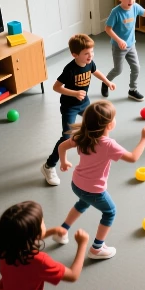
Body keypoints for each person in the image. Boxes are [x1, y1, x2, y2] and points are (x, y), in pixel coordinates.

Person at [55, 100, 145, 260]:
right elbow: (133, 158)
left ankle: (62, 231)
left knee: (82, 203)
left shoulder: (82, 135)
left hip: (77, 184)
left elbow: (62, 147)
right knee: (110, 212)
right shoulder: (108, 144)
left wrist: (64, 162)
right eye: (113, 118)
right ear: (108, 125)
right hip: (93, 190)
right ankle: (97, 248)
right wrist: (144, 138)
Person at [41, 34, 116, 186]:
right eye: (86, 54)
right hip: (70, 106)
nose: (90, 56)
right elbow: (56, 87)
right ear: (75, 54)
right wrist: (74, 93)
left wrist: (108, 82)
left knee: (97, 120)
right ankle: (48, 166)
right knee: (66, 137)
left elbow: (96, 71)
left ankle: (96, 145)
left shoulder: (89, 63)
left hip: (84, 102)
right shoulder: (70, 69)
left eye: (92, 52)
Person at [103, 0, 145, 102]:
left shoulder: (135, 7)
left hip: (131, 45)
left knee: (136, 67)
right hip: (118, 47)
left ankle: (132, 90)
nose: (131, 1)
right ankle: (105, 82)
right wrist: (119, 40)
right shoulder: (116, 12)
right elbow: (107, 29)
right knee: (118, 70)